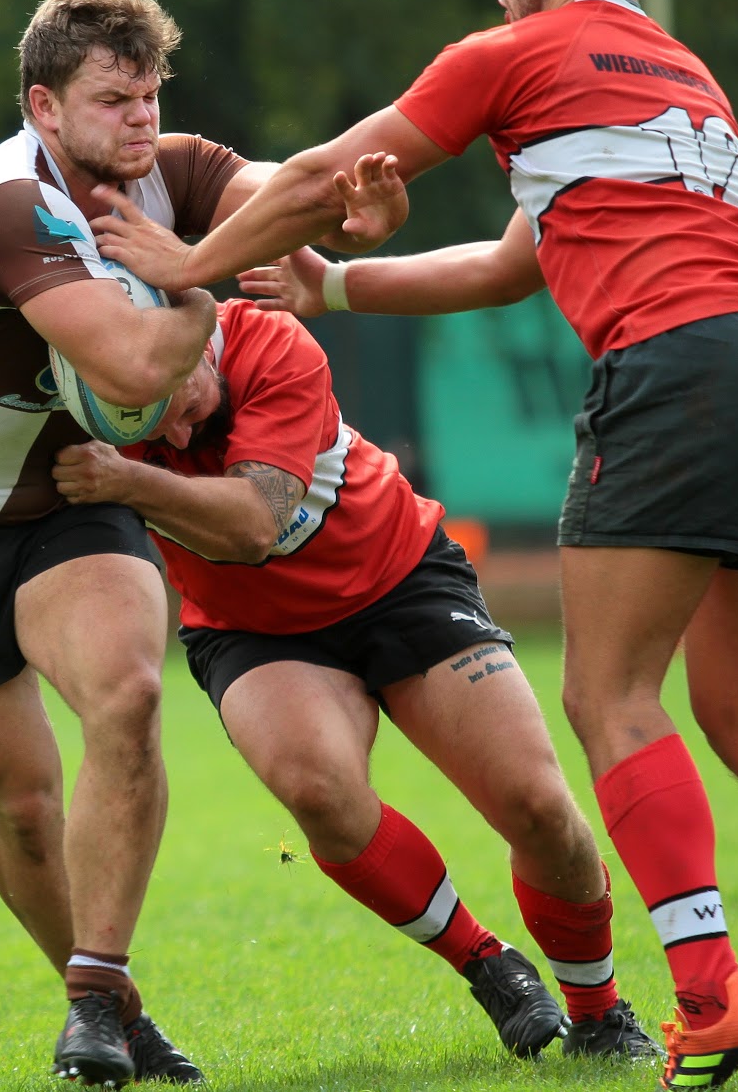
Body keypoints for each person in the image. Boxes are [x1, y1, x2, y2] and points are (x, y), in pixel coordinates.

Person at [91, 0, 738, 1087]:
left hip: (676, 364)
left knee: (611, 701)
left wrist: (183, 270)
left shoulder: (510, 54)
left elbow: (302, 180)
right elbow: (516, 262)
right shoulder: (674, 69)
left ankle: (710, 999)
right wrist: (335, 284)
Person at [0, 0, 317, 1087]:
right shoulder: (12, 206)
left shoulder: (168, 167)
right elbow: (141, 366)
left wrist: (341, 215)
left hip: (69, 498)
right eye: (111, 100)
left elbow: (286, 196)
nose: (139, 121)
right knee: (22, 806)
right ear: (43, 107)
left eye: (150, 95)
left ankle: (94, 995)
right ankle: (116, 1010)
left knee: (129, 694)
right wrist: (195, 289)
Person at [51, 297, 663, 1064]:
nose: (172, 438)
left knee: (536, 806)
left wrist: (127, 481)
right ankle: (486, 963)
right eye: (141, 430)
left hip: (401, 579)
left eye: (178, 407)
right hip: (253, 628)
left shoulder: (270, 343)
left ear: (195, 341)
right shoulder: (89, 397)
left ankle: (598, 1013)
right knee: (318, 793)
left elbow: (255, 520)